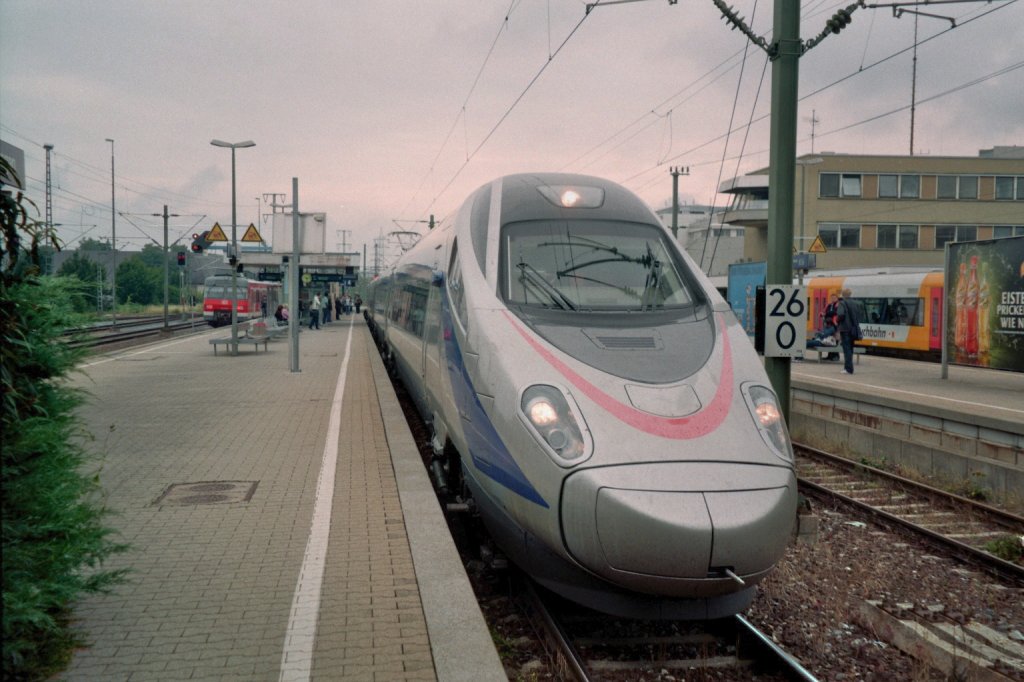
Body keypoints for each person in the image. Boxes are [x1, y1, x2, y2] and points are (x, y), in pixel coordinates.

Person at [835, 288, 862, 375]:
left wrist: (838, 321)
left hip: (845, 328)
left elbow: (841, 314)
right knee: (851, 348)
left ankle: (848, 369)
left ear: (843, 295)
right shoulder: (856, 303)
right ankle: (849, 368)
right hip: (853, 329)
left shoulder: (842, 303)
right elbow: (859, 315)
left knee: (846, 349)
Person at [821, 293, 841, 360]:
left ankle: (836, 356)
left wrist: (827, 313)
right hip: (828, 324)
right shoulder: (829, 305)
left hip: (835, 325)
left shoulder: (839, 305)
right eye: (832, 298)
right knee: (830, 339)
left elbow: (835, 312)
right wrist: (824, 314)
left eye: (834, 298)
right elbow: (825, 312)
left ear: (837, 298)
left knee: (834, 339)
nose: (833, 299)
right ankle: (830, 355)